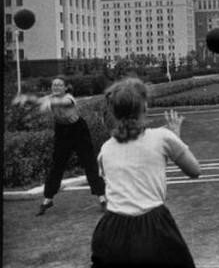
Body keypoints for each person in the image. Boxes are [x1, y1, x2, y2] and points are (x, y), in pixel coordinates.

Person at [91, 77, 201, 268]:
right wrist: (176, 138)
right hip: (154, 227)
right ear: (145, 107)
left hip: (112, 229)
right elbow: (195, 170)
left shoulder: (106, 149)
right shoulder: (162, 137)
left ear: (115, 112)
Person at [32, 76, 106, 216]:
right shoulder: (51, 98)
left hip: (78, 131)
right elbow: (37, 103)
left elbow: (63, 102)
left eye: (60, 85)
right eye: (54, 85)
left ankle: (102, 198)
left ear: (65, 87)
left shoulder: (69, 98)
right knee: (57, 165)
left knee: (89, 163)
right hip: (62, 132)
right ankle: (48, 199)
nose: (56, 87)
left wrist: (46, 99)